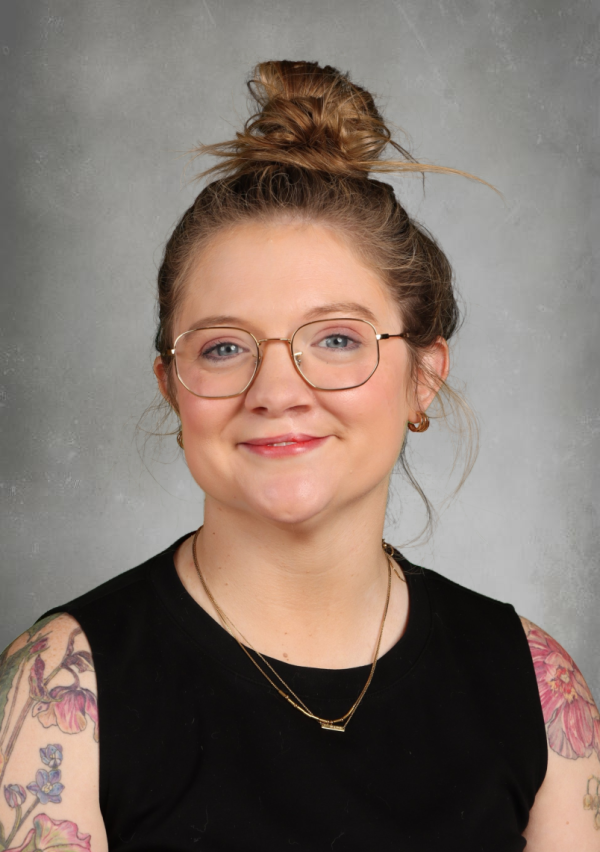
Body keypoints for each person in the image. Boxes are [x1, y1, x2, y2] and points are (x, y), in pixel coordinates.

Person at [0, 60, 598, 852]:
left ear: (423, 377)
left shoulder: (536, 685)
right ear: (174, 389)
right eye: (222, 347)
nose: (276, 388)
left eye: (339, 339)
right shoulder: (62, 688)